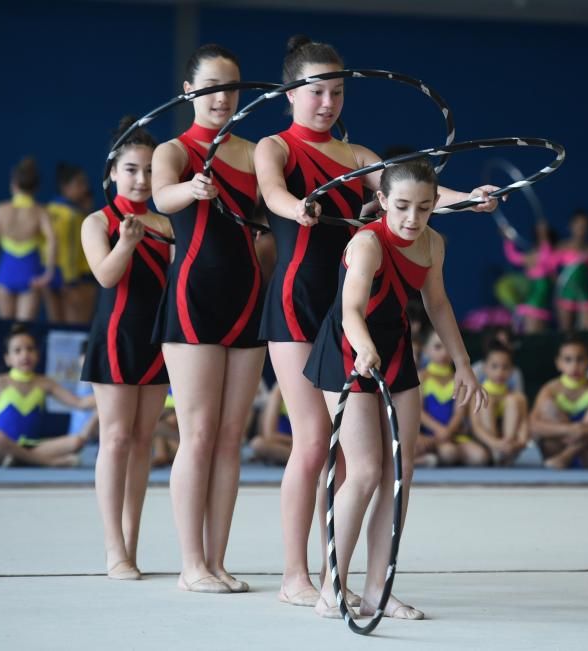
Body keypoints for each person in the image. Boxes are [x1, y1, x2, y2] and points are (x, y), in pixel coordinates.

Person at [253, 34, 499, 607]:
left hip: (353, 298)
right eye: (317, 92)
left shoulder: (359, 156)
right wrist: (300, 208)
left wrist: (473, 200)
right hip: (298, 302)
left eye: (337, 92)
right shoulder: (275, 145)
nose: (327, 103)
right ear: (292, 93)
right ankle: (298, 575)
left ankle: (348, 578)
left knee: (359, 456)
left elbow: (410, 189)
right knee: (313, 442)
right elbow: (270, 193)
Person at [303, 160, 487, 620]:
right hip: (349, 349)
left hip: (396, 349)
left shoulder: (433, 244)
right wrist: (364, 349)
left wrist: (464, 364)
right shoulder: (367, 244)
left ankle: (377, 591)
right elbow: (350, 311)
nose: (412, 217)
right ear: (382, 201)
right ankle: (332, 585)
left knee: (400, 476)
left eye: (424, 208)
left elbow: (438, 304)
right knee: (363, 471)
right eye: (402, 206)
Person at [151, 44, 267, 594]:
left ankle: (217, 560)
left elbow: (285, 204)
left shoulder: (254, 152)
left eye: (232, 87)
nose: (223, 97)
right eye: (212, 87)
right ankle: (190, 564)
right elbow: (162, 195)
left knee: (229, 436)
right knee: (196, 433)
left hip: (248, 299)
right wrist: (190, 189)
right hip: (193, 299)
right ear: (189, 90)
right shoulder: (174, 150)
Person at [81, 118, 173, 581]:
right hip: (116, 337)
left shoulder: (167, 223)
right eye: (132, 170)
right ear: (113, 172)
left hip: (158, 340)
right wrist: (127, 243)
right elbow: (105, 276)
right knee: (115, 439)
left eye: (150, 171)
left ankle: (132, 543)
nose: (141, 180)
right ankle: (113, 547)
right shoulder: (98, 221)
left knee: (142, 441)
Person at [0, 324, 94, 467]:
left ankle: (20, 459)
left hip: (32, 445)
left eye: (30, 349)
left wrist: (107, 400)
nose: (25, 354)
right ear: (8, 359)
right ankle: (49, 462)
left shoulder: (45, 383)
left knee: (77, 442)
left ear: (37, 354)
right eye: (17, 351)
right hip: (3, 445)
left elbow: (79, 403)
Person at [529, 336, 588, 470]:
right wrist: (569, 430)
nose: (574, 366)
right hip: (558, 446)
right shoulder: (550, 388)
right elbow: (533, 424)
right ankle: (587, 457)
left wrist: (584, 429)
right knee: (548, 407)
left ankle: (567, 456)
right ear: (558, 363)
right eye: (568, 360)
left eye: (580, 359)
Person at [0, 157, 56, 321]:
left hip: (5, 274)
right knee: (24, 330)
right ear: (36, 188)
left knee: (7, 333)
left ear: (13, 184)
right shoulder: (40, 212)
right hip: (29, 273)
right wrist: (49, 273)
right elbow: (53, 240)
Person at [418, 329, 484, 466]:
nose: (444, 352)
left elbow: (459, 413)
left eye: (448, 347)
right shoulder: (421, 376)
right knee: (449, 453)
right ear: (425, 350)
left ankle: (443, 453)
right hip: (430, 435)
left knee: (480, 457)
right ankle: (434, 454)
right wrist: (439, 430)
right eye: (437, 347)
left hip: (452, 434)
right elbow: (418, 412)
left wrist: (448, 431)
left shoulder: (458, 378)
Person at [43, 162, 96, 324]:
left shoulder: (47, 210)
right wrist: (69, 280)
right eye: (80, 183)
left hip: (53, 276)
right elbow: (69, 249)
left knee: (57, 330)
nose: (85, 187)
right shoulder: (72, 215)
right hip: (76, 279)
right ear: (65, 187)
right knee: (75, 332)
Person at [469, 342, 529, 466]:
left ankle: (507, 451)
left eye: (505, 367)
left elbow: (524, 424)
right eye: (494, 366)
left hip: (509, 447)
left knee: (515, 400)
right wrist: (495, 444)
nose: (500, 372)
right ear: (485, 368)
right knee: (487, 400)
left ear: (512, 370)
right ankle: (496, 453)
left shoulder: (516, 397)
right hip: (487, 444)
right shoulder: (477, 394)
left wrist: (520, 442)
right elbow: (476, 427)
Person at [251, 383, 293, 465]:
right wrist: (295, 441)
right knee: (258, 444)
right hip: (288, 443)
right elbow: (270, 435)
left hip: (311, 444)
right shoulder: (278, 393)